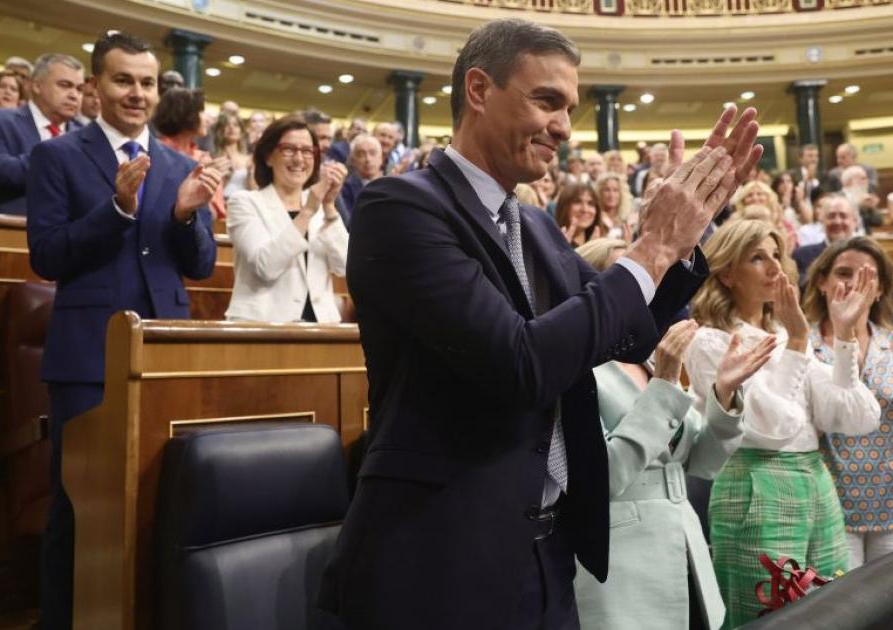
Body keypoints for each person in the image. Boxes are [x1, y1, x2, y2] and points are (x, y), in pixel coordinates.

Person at [317, 17, 763, 629]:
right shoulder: (401, 207)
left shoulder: (535, 225)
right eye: (546, 100)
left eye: (570, 109)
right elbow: (522, 364)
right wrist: (651, 248)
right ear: (478, 89)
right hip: (440, 559)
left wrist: (680, 245)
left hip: (548, 556)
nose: (562, 125)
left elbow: (627, 334)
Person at [26, 32, 220, 629]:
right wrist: (116, 210)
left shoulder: (180, 164)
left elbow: (201, 264)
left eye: (147, 82)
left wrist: (186, 216)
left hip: (164, 352)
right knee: (79, 507)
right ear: (94, 86)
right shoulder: (57, 156)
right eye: (123, 80)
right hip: (87, 358)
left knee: (161, 501)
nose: (137, 93)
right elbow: (48, 255)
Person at [684, 219, 880, 628]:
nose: (776, 267)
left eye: (777, 255)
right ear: (725, 273)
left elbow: (855, 415)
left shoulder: (781, 330)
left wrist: (844, 336)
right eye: (758, 258)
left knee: (833, 605)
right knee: (767, 616)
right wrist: (795, 344)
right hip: (755, 482)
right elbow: (774, 428)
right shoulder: (711, 340)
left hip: (815, 478)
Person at [574, 314, 773, 630]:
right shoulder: (578, 370)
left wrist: (723, 392)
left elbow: (704, 462)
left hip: (685, 552)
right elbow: (602, 478)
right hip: (625, 568)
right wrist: (665, 385)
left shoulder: (649, 360)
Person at [802, 237, 893, 568]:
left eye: (868, 276)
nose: (853, 283)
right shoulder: (801, 344)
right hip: (829, 507)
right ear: (822, 282)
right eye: (843, 273)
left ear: (880, 290)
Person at [225, 117, 349, 323]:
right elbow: (266, 267)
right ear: (268, 157)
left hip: (322, 329)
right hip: (263, 328)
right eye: (289, 149)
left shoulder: (321, 208)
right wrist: (308, 210)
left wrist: (328, 206)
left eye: (307, 151)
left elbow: (345, 267)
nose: (299, 159)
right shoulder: (245, 203)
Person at [0, 53, 84, 215]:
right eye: (65, 85)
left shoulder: (85, 134)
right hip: (9, 230)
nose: (74, 95)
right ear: (37, 86)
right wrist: (56, 158)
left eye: (79, 89)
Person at [153, 87, 228, 219]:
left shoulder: (204, 158)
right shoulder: (154, 151)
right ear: (185, 114)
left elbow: (214, 215)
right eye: (202, 111)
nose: (208, 118)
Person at [793, 194, 858, 285]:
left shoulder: (866, 257)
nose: (837, 222)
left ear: (855, 222)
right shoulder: (802, 256)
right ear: (822, 221)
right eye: (831, 216)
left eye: (843, 216)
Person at [339, 133, 384, 220]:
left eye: (372, 153)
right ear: (352, 160)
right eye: (361, 154)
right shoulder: (344, 190)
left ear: (381, 158)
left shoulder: (392, 186)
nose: (368, 159)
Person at [214, 111, 252, 199]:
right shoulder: (214, 158)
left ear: (241, 132)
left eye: (235, 125)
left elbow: (254, 190)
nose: (231, 128)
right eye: (227, 125)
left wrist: (250, 173)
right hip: (221, 205)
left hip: (245, 205)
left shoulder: (249, 159)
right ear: (220, 131)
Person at [556, 182, 604, 246]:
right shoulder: (550, 243)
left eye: (590, 203)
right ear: (564, 207)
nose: (585, 209)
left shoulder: (602, 245)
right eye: (577, 202)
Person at [594, 171, 633, 240]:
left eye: (615, 190)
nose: (611, 195)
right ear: (599, 192)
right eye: (607, 190)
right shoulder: (594, 217)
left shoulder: (627, 217)